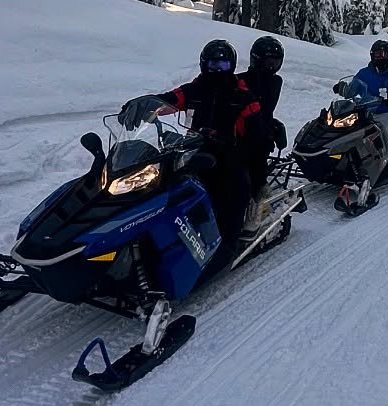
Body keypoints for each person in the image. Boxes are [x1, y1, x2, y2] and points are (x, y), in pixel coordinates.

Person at [118, 40, 265, 248]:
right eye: (213, 65)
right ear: (204, 64)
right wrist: (143, 105)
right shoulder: (195, 89)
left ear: (231, 66)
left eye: (223, 65)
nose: (217, 70)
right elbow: (169, 101)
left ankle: (227, 245)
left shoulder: (243, 98)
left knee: (233, 193)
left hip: (229, 158)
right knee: (161, 186)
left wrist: (232, 145)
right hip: (193, 153)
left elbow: (256, 138)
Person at [349, 39, 388, 174]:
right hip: (366, 111)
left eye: (383, 54)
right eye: (377, 54)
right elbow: (354, 87)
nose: (380, 57)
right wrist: (343, 89)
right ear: (371, 55)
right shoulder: (365, 73)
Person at [243, 36, 287, 194]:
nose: (272, 67)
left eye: (275, 63)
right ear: (257, 59)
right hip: (239, 133)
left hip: (260, 137)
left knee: (256, 182)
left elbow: (265, 110)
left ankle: (258, 196)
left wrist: (271, 126)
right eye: (269, 63)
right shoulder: (240, 81)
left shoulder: (275, 82)